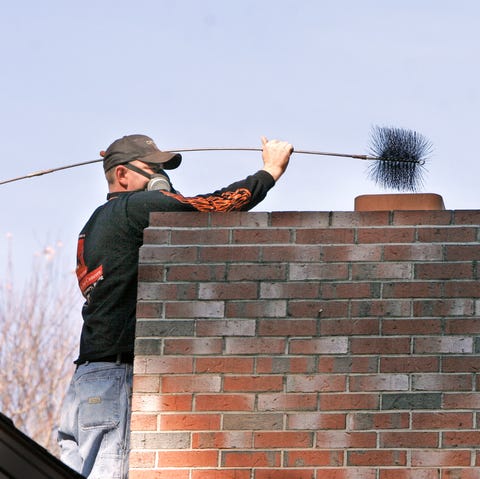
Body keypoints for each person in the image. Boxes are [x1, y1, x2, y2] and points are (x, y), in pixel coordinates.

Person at [57, 133, 293, 478]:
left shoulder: (96, 223)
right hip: (114, 381)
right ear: (122, 175)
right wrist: (269, 172)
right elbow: (208, 208)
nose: (162, 176)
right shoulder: (131, 208)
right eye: (154, 168)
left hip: (87, 383)